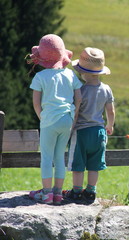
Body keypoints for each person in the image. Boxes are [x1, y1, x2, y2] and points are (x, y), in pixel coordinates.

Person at [27, 34, 82, 205]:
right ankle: (58, 193)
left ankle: (46, 194)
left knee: (46, 157)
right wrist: (73, 116)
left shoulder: (40, 77)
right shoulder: (71, 75)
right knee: (60, 156)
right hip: (67, 119)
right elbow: (78, 99)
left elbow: (36, 102)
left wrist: (42, 117)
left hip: (49, 120)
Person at [63, 47, 115, 204]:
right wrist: (110, 126)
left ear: (82, 73)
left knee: (78, 164)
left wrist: (70, 129)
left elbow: (76, 112)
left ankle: (77, 191)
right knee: (94, 165)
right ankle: (91, 191)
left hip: (81, 132)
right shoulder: (106, 89)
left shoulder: (80, 90)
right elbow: (110, 111)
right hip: (99, 132)